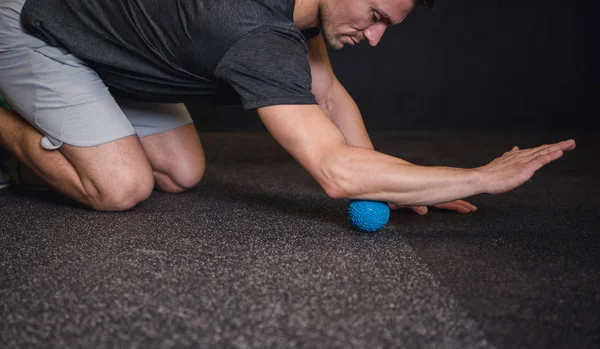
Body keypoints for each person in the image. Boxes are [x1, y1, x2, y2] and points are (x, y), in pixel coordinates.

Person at [0, 0, 576, 214]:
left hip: (117, 43)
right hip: (38, 23)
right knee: (122, 187)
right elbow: (334, 171)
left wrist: (401, 181)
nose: (374, 38)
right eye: (375, 15)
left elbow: (328, 94)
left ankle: (51, 143)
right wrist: (476, 177)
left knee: (182, 173)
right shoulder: (255, 35)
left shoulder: (299, 12)